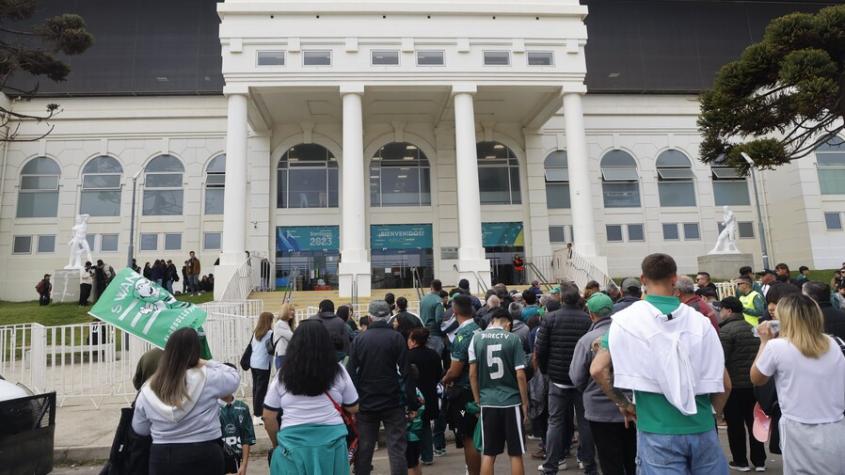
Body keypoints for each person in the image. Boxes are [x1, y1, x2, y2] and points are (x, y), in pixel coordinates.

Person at [591, 253, 731, 475]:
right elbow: (725, 383)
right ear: (674, 279)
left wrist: (625, 404)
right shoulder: (700, 322)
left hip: (656, 429)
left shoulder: (626, 321)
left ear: (643, 279)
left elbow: (598, 369)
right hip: (702, 427)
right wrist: (712, 414)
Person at [751, 294, 845, 474]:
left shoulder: (776, 347)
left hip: (798, 427)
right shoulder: (833, 343)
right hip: (835, 424)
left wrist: (763, 343)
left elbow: (757, 378)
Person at [131, 328, 240, 475]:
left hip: (163, 457)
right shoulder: (208, 378)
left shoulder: (148, 388)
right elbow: (233, 376)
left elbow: (140, 429)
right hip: (206, 452)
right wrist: (204, 362)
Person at [262, 320, 359, 475]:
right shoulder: (338, 371)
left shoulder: (283, 374)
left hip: (292, 446)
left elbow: (268, 417)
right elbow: (353, 407)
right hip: (332, 445)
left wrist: (276, 443)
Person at [347, 300, 419, 475]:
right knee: (397, 448)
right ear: (389, 317)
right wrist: (412, 403)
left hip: (365, 401)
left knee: (365, 449)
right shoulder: (396, 338)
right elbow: (406, 372)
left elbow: (351, 373)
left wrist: (353, 402)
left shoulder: (359, 339)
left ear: (370, 317)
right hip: (393, 400)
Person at [569, 293, 636, 475]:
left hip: (599, 411)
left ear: (591, 314)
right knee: (632, 459)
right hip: (632, 405)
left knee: (609, 461)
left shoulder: (586, 340)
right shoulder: (628, 335)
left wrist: (590, 389)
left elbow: (576, 377)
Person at [534, 283, 595, 474]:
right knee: (585, 422)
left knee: (555, 422)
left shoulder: (550, 319)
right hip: (581, 379)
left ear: (561, 298)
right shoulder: (587, 320)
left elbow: (540, 350)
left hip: (557, 378)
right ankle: (587, 462)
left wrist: (546, 371)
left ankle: (552, 463)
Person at [469, 307, 529, 475]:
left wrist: (477, 399)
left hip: (488, 401)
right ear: (508, 324)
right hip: (511, 401)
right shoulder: (513, 339)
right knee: (515, 453)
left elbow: (472, 374)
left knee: (488, 453)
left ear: (492, 321)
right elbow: (520, 375)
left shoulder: (476, 338)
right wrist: (525, 402)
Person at [717, 297, 765, 472]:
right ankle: (759, 461)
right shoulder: (752, 329)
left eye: (721, 310)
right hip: (753, 385)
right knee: (754, 423)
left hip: (734, 386)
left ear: (728, 311)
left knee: (735, 425)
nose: (720, 313)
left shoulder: (725, 332)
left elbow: (720, 360)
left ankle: (740, 461)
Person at [441, 294, 482, 475]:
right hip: (479, 388)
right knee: (476, 435)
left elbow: (455, 370)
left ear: (455, 311)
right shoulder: (479, 329)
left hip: (465, 394)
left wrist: (444, 379)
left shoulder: (461, 336)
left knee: (468, 436)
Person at [407, 328, 444, 466]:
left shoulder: (408, 356)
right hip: (430, 394)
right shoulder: (433, 354)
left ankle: (413, 457)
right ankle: (428, 456)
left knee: (412, 426)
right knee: (426, 425)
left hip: (414, 395)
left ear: (413, 341)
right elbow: (439, 374)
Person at [219, 367, 256, 475]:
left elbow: (246, 439)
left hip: (236, 460)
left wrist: (244, 465)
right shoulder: (211, 407)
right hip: (216, 460)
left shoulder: (242, 407)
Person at [249, 312, 274, 426]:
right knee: (261, 390)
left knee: (256, 389)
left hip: (254, 363)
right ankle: (257, 415)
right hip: (263, 364)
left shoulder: (255, 333)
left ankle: (257, 413)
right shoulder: (270, 333)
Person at [406, 371, 427, 475]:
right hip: (418, 430)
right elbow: (423, 406)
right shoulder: (417, 390)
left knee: (409, 464)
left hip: (409, 432)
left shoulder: (407, 391)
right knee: (416, 461)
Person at [272, 303, 296, 370]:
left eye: (293, 310)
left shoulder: (286, 324)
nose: (292, 312)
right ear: (284, 311)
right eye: (290, 310)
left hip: (285, 355)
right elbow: (292, 337)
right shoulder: (280, 323)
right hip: (282, 355)